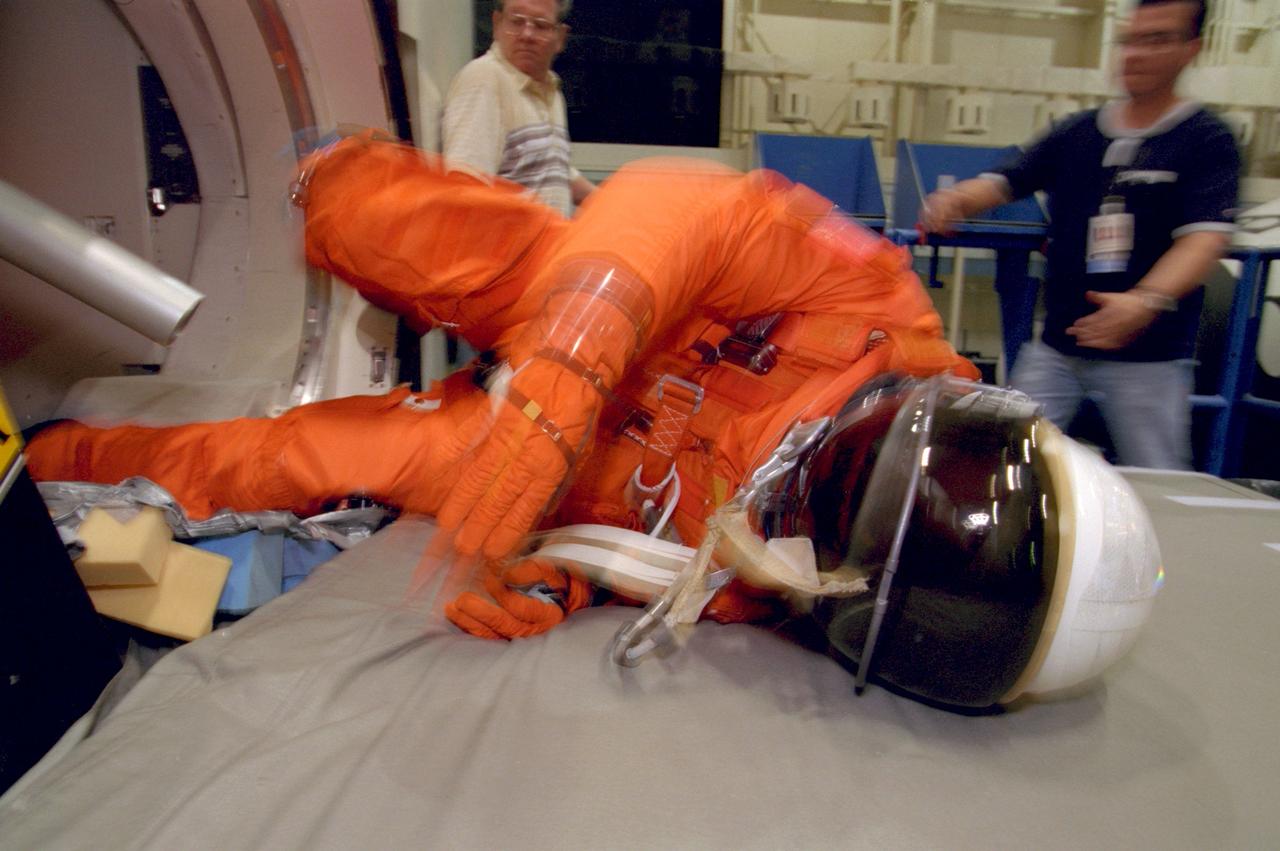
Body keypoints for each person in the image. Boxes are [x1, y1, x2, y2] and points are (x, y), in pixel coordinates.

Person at [26, 136, 1163, 710]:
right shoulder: (874, 304)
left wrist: (562, 578)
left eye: (843, 515)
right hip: (596, 303)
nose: (827, 476)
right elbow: (691, 205)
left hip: (563, 474)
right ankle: (318, 171)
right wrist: (576, 344)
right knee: (378, 219)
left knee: (292, 461)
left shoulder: (778, 597)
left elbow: (669, 574)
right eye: (877, 461)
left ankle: (41, 463)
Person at [920, 0, 1240, 470]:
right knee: (1007, 459)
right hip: (1057, 348)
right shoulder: (1079, 133)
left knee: (1157, 471)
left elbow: (1204, 240)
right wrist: (957, 199)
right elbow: (1008, 179)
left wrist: (1144, 301)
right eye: (1130, 40)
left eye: (1157, 40)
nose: (1136, 54)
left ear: (1192, 48)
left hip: (1149, 359)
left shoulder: (1206, 139)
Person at [442, 0, 594, 216]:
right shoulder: (484, 79)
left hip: (550, 238)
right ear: (497, 24)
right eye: (516, 22)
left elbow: (551, 168)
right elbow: (465, 187)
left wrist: (610, 202)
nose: (527, 35)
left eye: (540, 25)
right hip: (506, 239)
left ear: (560, 37)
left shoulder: (551, 90)